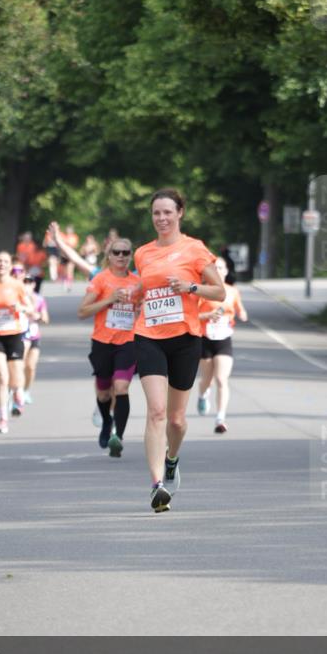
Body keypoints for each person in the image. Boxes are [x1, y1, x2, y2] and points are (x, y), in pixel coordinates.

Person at [134, 189, 225, 512]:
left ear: (180, 213)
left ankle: (172, 457)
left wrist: (191, 288)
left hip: (186, 338)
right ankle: (157, 485)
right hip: (148, 336)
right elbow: (144, 290)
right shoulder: (142, 253)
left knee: (176, 420)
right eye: (156, 213)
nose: (161, 219)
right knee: (156, 411)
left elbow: (220, 291)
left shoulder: (195, 249)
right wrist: (131, 296)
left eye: (167, 213)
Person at [78, 238, 139, 457]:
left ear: (131, 255)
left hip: (128, 342)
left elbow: (144, 310)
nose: (121, 257)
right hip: (103, 343)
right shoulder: (101, 280)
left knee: (121, 387)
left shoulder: (137, 282)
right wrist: (109, 300)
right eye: (117, 252)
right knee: (104, 393)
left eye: (125, 253)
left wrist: (139, 308)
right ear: (109, 255)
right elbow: (82, 312)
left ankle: (118, 437)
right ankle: (106, 421)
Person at [0, 252, 35, 433]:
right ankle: (3, 419)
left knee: (15, 377)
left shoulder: (18, 286)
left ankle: (18, 391)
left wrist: (21, 308)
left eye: (5, 261)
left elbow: (30, 308)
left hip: (14, 335)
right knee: (2, 377)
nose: (1, 264)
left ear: (10, 266)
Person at [197, 256, 248, 433]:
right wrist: (207, 316)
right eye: (215, 268)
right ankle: (203, 394)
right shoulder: (203, 292)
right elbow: (192, 316)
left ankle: (220, 418)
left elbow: (240, 309)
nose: (218, 271)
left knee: (221, 378)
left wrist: (242, 315)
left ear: (226, 271)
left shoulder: (232, 291)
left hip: (224, 338)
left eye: (221, 268)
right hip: (205, 338)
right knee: (207, 380)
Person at [22, 273, 49, 404]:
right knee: (20, 365)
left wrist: (39, 316)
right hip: (21, 336)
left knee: (31, 366)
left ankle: (26, 390)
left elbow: (45, 318)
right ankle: (17, 391)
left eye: (29, 282)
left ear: (33, 284)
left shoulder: (39, 299)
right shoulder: (18, 299)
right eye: (24, 282)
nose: (27, 284)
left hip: (34, 336)